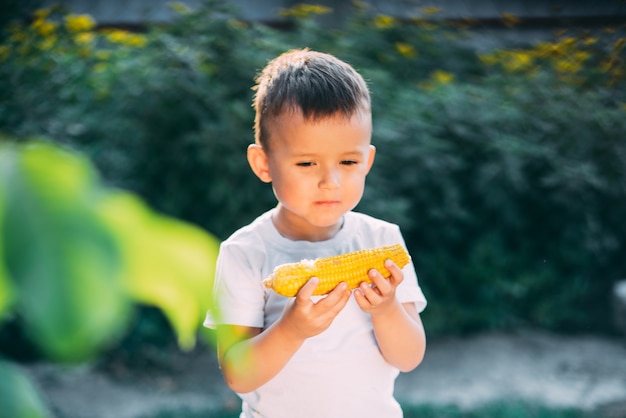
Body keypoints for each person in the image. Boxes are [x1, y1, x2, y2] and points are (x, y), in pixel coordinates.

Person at [205, 48, 427, 418]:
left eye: (348, 162)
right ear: (264, 163)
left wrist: (387, 309)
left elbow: (409, 357)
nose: (330, 181)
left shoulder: (382, 240)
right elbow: (237, 374)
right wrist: (292, 328)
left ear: (367, 161)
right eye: (307, 163)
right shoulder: (244, 253)